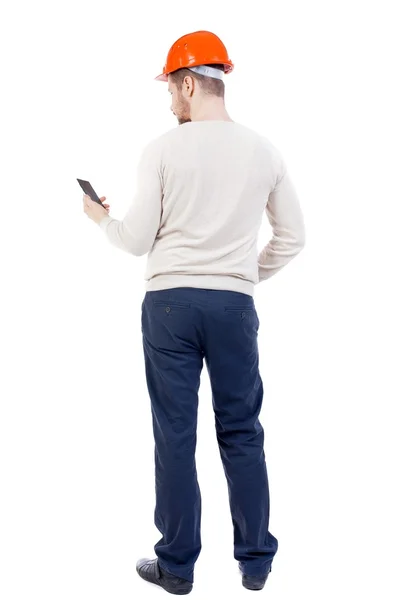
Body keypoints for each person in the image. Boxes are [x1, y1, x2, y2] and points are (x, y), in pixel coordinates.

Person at [83, 30, 306, 595]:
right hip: (234, 307)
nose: (170, 103)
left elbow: (135, 241)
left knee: (175, 435)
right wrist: (241, 276)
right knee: (243, 433)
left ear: (189, 82)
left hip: (171, 307)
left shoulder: (162, 149)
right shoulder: (265, 151)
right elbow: (293, 238)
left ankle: (177, 569)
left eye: (171, 90)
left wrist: (99, 219)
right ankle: (255, 565)